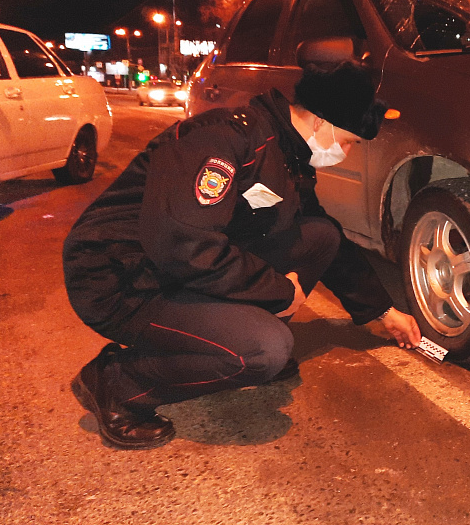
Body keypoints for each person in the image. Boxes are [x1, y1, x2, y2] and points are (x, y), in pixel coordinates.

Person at [63, 62, 421, 450]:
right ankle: (118, 384)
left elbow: (314, 227)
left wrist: (382, 311)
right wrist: (281, 293)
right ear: (320, 122)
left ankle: (230, 332)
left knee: (321, 236)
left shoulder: (286, 151)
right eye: (349, 141)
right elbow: (185, 246)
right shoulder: (221, 140)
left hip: (175, 266)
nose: (346, 152)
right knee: (264, 349)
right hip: (121, 278)